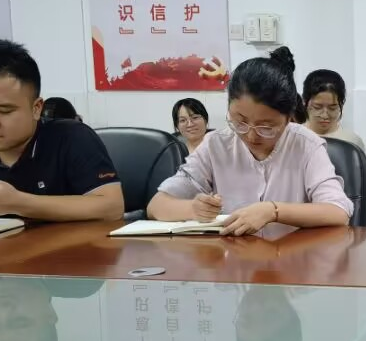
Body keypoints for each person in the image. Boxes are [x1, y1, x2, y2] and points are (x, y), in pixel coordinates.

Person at [148, 46, 353, 236]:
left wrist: (273, 211)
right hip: (234, 258)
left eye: (267, 127)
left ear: (288, 118)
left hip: (291, 256)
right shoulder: (215, 144)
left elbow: (338, 211)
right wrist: (193, 209)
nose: (251, 136)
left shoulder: (307, 145)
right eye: (240, 122)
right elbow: (157, 205)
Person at [0, 39, 123, 222]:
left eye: (5, 111)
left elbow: (111, 208)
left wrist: (19, 203)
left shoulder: (72, 137)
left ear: (36, 108)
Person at [301, 68, 365, 150]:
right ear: (304, 102)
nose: (324, 115)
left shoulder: (352, 142)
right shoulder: (295, 137)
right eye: (317, 107)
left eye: (332, 108)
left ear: (341, 104)